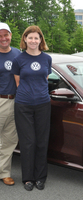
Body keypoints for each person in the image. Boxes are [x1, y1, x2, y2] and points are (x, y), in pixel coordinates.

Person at [11, 25, 52, 191]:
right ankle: (28, 178)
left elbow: (45, 79)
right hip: (23, 105)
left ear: (41, 40)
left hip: (43, 104)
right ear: (25, 39)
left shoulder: (47, 59)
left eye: (36, 38)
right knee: (28, 143)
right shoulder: (18, 60)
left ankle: (40, 178)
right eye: (30, 38)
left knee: (42, 142)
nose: (33, 41)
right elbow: (18, 83)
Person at [0, 22, 21, 186]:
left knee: (9, 140)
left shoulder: (17, 53)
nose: (3, 38)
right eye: (0, 36)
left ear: (11, 36)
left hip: (15, 101)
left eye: (5, 35)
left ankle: (4, 173)